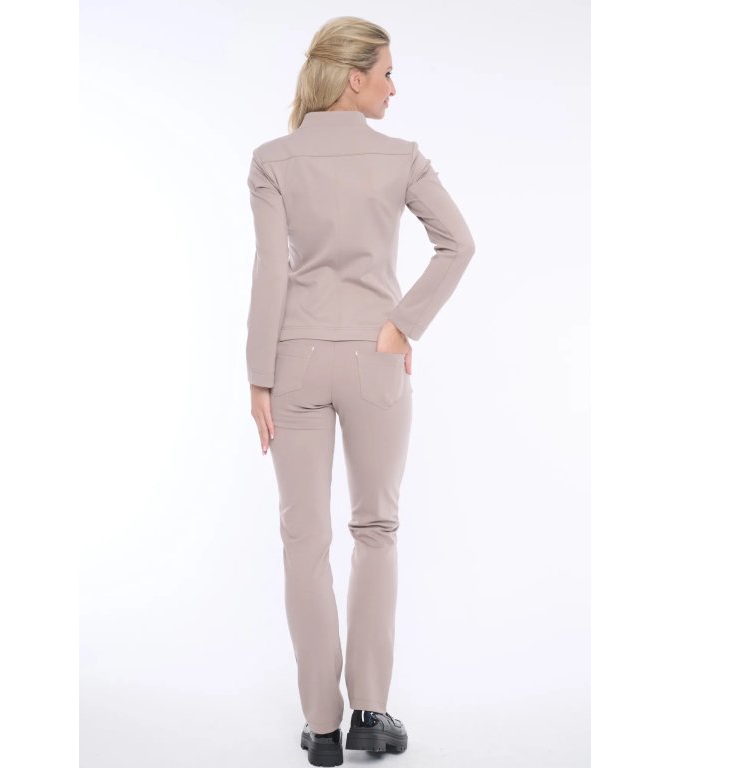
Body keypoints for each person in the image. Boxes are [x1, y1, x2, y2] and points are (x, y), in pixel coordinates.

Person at [245, 16, 475, 767]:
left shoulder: (272, 160)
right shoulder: (402, 158)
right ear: (354, 77)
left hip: (296, 359)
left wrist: (258, 376)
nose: (393, 88)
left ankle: (321, 727)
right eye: (386, 73)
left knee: (303, 541)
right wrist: (403, 326)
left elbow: (271, 273)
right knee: (375, 529)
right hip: (377, 358)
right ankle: (370, 714)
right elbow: (459, 244)